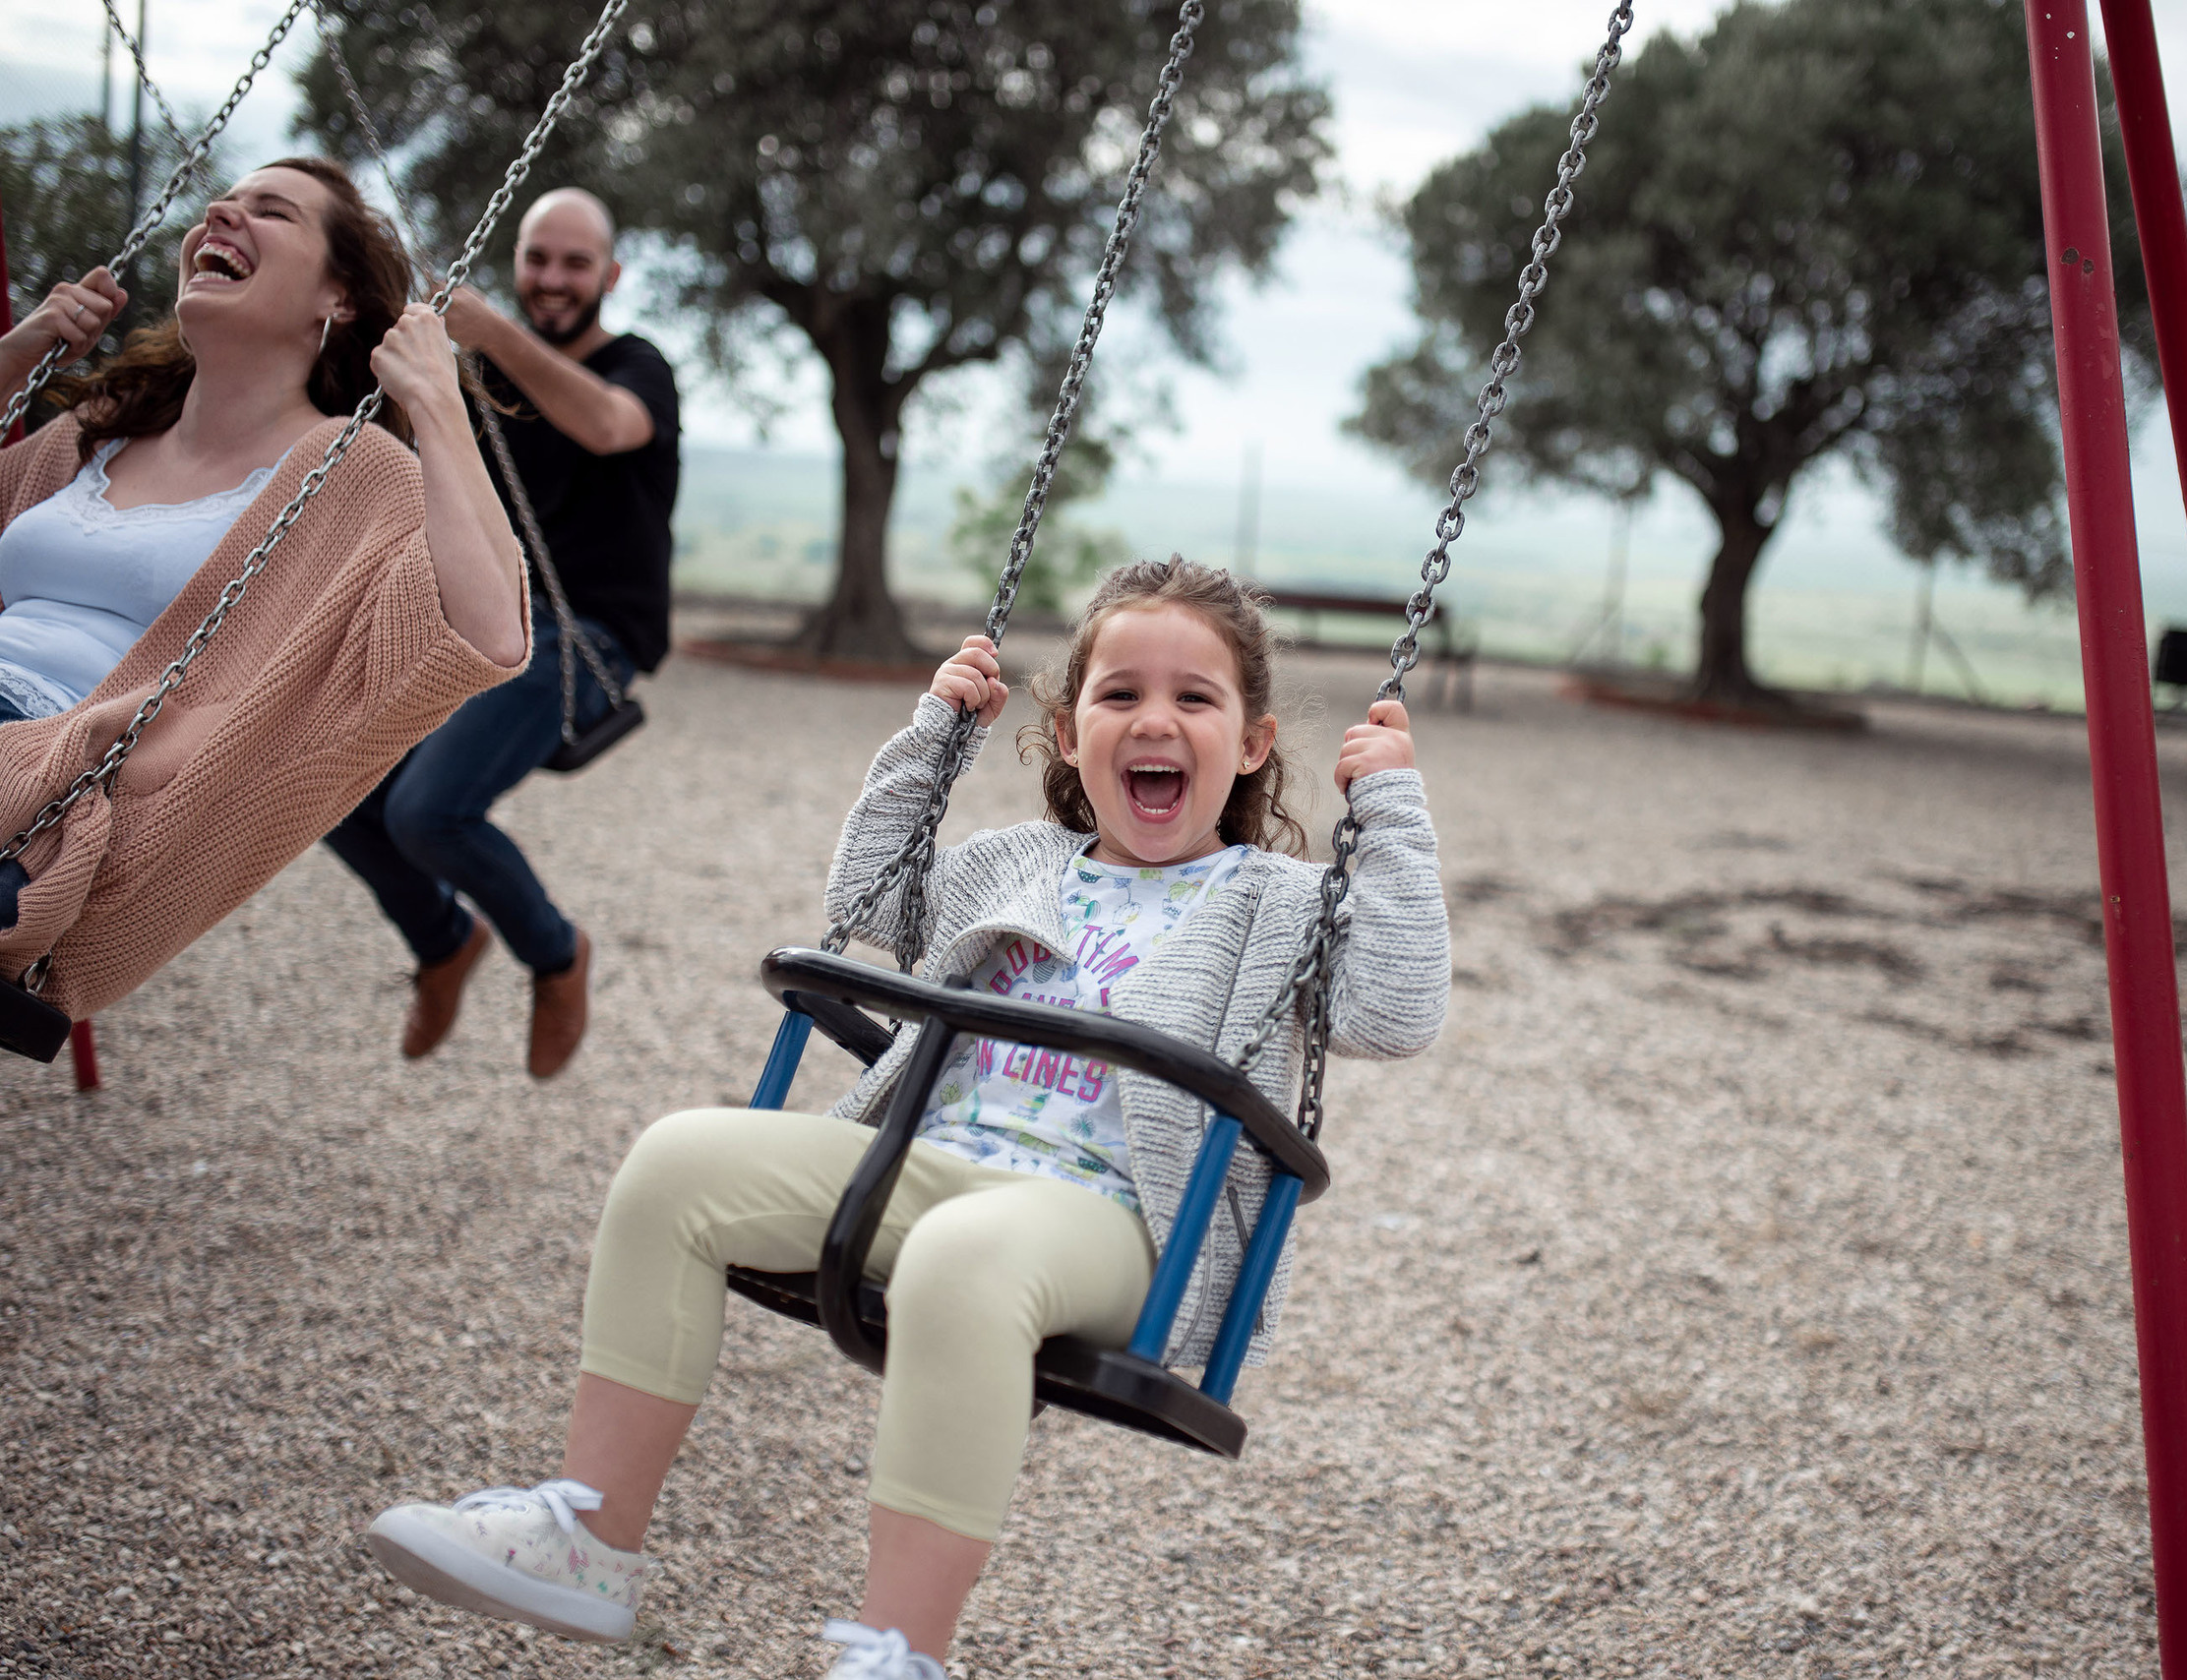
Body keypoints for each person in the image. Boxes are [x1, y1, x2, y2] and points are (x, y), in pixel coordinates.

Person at [361, 560, 1450, 1678]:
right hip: (933, 1164)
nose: (1153, 719)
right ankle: (588, 1535)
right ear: (1070, 734)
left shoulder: (1279, 904)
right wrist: (935, 733)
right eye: (1119, 695)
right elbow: (870, 898)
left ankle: (897, 1652)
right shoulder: (1008, 864)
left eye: (1194, 698)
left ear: (1254, 743)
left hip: (1120, 1222)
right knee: (677, 1160)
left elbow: (1397, 1007)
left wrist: (1393, 809)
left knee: (961, 1257)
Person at [0, 158, 529, 1016]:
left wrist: (437, 404)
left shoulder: (350, 475)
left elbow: (489, 633)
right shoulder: (97, 432)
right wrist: (19, 354)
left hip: (52, 778)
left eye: (271, 212)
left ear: (339, 298)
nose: (222, 213)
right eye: (223, 202)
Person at [322, 186, 679, 1079]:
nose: (552, 280)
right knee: (328, 779)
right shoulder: (471, 384)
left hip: (587, 635)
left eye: (574, 263)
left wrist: (486, 336)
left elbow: (605, 425)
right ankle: (443, 940)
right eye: (537, 259)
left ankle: (557, 958)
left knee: (429, 811)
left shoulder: (640, 366)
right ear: (516, 261)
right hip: (482, 623)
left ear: (611, 275)